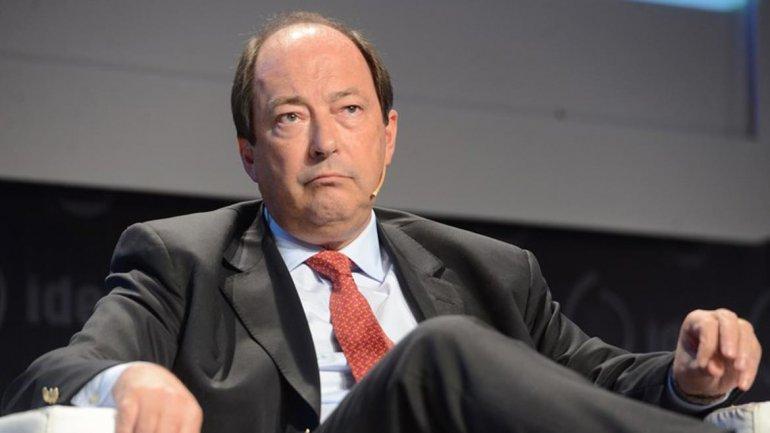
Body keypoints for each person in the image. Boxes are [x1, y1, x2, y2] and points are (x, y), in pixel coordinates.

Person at [1, 11, 762, 433]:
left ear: (388, 138)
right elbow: (49, 378)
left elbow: (597, 385)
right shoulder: (180, 260)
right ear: (249, 154)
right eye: (290, 117)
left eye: (349, 110)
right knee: (440, 354)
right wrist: (126, 378)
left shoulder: (492, 271)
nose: (325, 142)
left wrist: (686, 379)